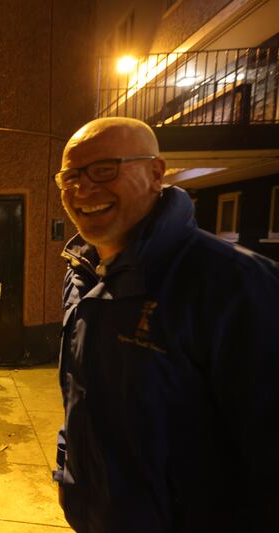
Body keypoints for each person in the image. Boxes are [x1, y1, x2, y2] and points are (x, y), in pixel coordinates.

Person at [52, 117, 279, 533]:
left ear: (156, 173)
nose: (82, 188)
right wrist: (67, 470)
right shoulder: (83, 275)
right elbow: (78, 392)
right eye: (70, 176)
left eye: (104, 169)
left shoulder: (235, 285)